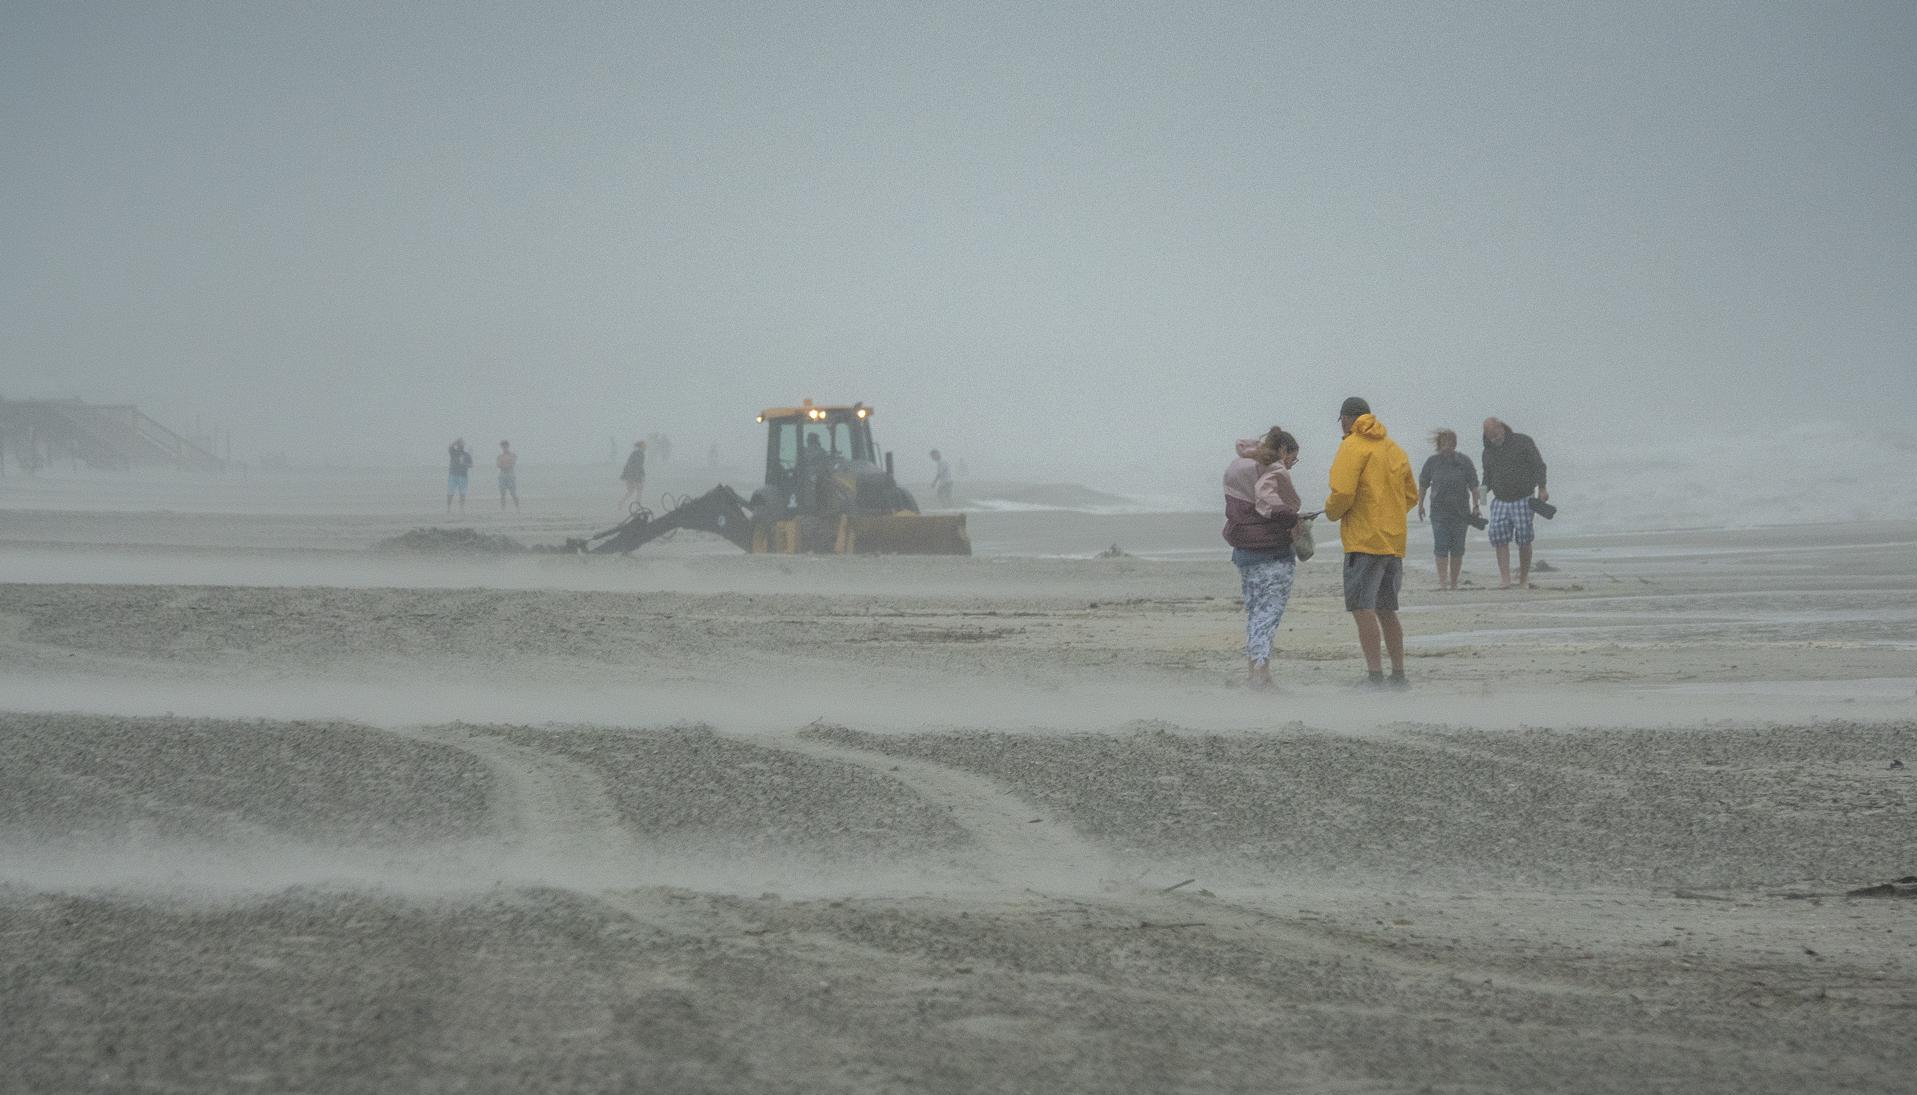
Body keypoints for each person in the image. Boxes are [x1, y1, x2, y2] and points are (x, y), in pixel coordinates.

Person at [1324, 397, 1420, 688]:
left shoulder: (1352, 445)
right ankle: (1399, 674)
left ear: (1347, 418)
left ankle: (1375, 675)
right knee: (1386, 608)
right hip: (1393, 541)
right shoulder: (1394, 449)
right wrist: (1388, 515)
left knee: (1361, 607)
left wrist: (1331, 513)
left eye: (1340, 419)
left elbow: (1342, 492)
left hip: (1364, 541)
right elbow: (1411, 496)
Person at [1222, 427, 1303, 690]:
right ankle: (1260, 673)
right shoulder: (1273, 469)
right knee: (1269, 615)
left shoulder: (1239, 465)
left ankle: (1255, 672)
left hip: (1244, 551)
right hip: (1273, 550)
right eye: (1292, 458)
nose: (1291, 465)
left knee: (1256, 613)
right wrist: (1293, 518)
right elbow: (1267, 500)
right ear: (1282, 451)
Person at [1481, 417, 1549, 589]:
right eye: (1491, 437)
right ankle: (1505, 579)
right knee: (1498, 538)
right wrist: (1478, 500)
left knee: (1524, 539)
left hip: (1524, 498)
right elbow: (1487, 478)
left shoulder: (1523, 441)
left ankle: (1523, 579)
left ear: (1502, 427)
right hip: (1500, 500)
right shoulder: (1487, 452)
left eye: (1496, 434)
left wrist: (1542, 488)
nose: (1495, 439)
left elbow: (1538, 465)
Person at [1417, 428, 1482, 591]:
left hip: (1461, 512)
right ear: (1439, 444)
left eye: (1451, 443)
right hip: (1439, 513)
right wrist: (1420, 505)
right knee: (1441, 546)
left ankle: (1453, 583)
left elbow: (1475, 485)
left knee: (1458, 549)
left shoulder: (1464, 461)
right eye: (1445, 443)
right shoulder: (1432, 462)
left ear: (1455, 444)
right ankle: (1442, 582)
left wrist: (1476, 506)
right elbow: (1423, 484)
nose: (1448, 446)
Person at [446, 438, 473, 514]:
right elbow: (450, 447)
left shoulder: (466, 454)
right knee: (450, 492)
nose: (460, 446)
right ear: (457, 445)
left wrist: (464, 464)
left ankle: (461, 508)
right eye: (459, 445)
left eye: (461, 445)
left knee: (462, 493)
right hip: (453, 475)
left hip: (463, 476)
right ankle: (449, 508)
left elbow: (471, 465)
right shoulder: (453, 452)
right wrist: (456, 441)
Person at [619, 440, 647, 510]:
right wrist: (641, 475)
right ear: (641, 447)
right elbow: (638, 465)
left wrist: (625, 475)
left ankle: (621, 502)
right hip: (635, 475)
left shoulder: (634, 453)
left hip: (629, 474)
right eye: (644, 446)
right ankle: (637, 506)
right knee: (639, 491)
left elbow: (629, 464)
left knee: (631, 491)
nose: (646, 447)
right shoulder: (640, 454)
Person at [496, 441, 519, 511]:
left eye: (505, 446)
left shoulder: (513, 455)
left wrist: (505, 465)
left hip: (510, 475)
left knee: (513, 493)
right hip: (502, 475)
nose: (504, 448)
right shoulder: (500, 456)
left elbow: (512, 463)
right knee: (502, 494)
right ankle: (503, 509)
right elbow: (498, 465)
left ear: (508, 446)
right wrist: (506, 465)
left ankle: (517, 508)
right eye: (503, 446)